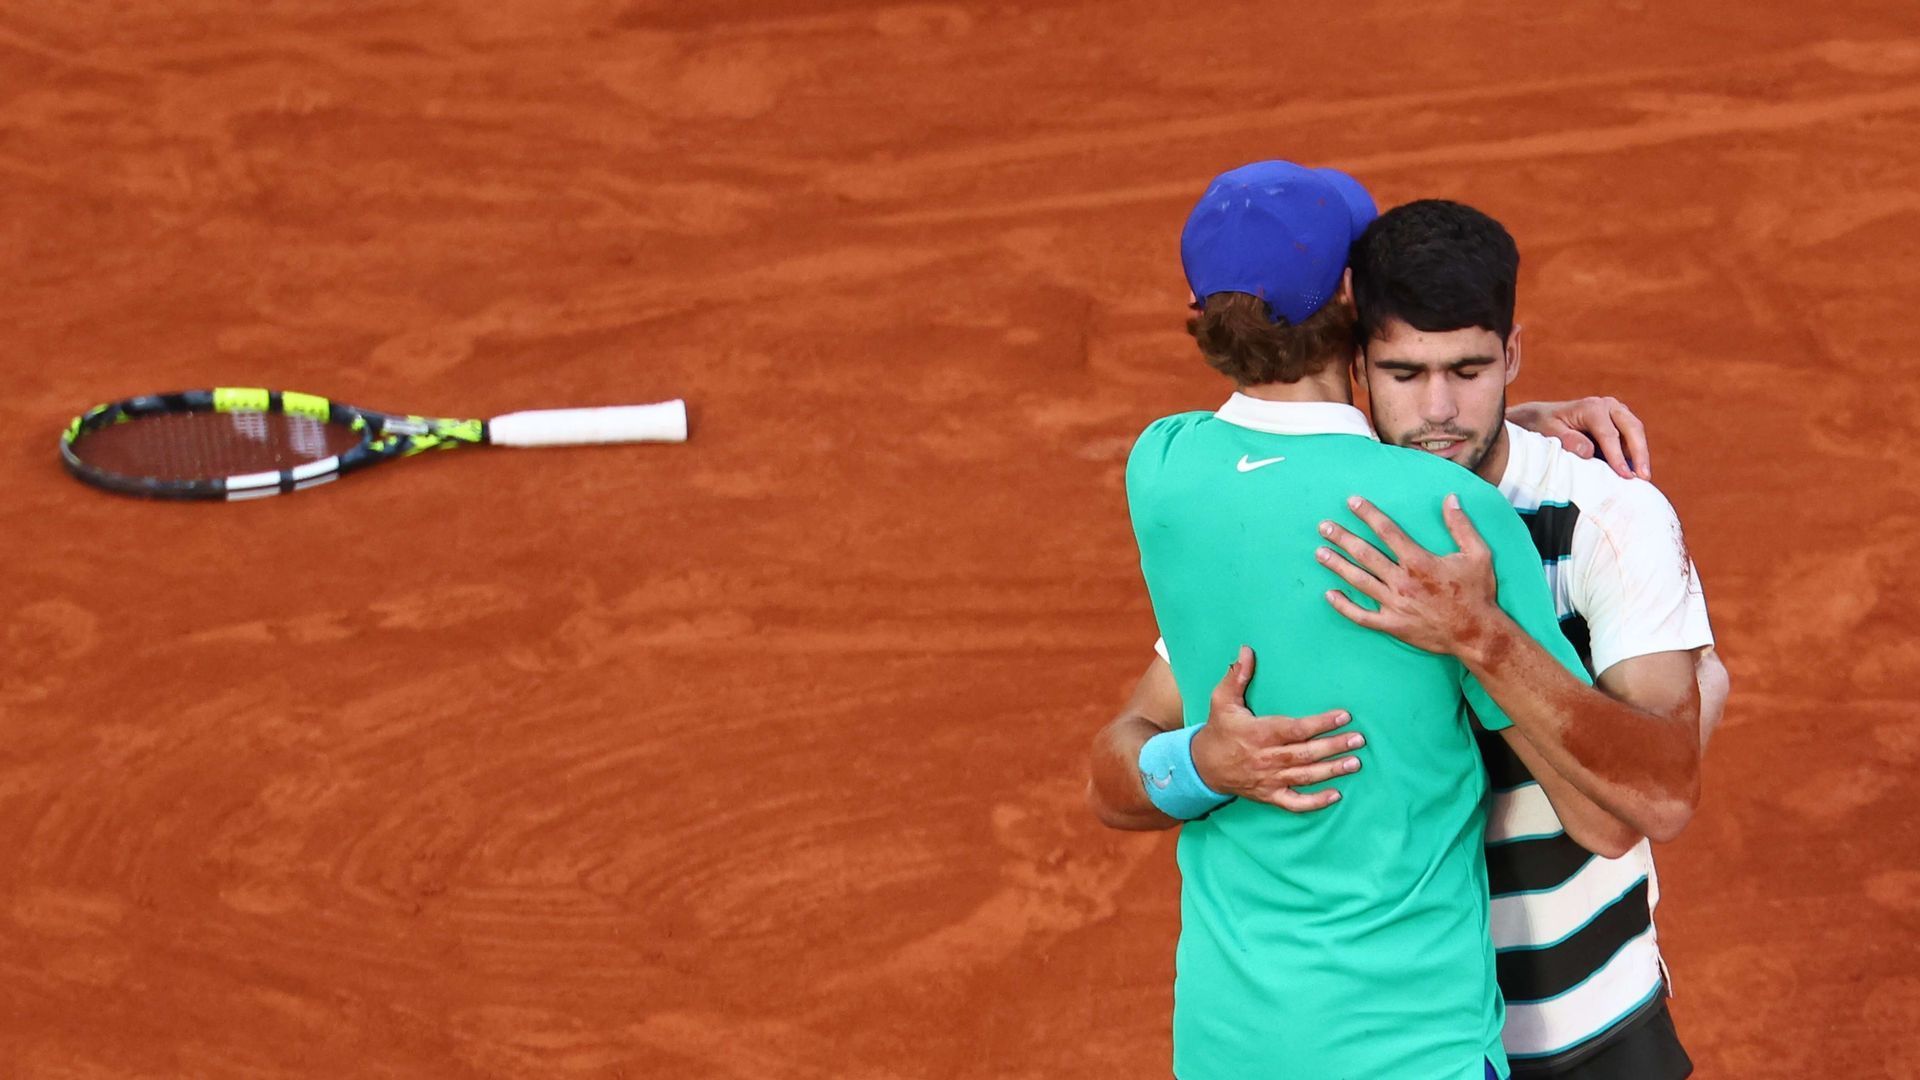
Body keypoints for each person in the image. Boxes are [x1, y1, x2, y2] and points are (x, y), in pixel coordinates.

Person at [1089, 198, 1731, 1080]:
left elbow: (1645, 809)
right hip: (1427, 1044)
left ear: (1511, 356)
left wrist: (1484, 637)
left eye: (1469, 371)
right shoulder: (1308, 529)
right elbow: (1119, 767)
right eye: (1404, 373)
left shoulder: (1607, 516)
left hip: (1586, 1035)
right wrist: (1201, 760)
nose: (1439, 411)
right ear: (1355, 362)